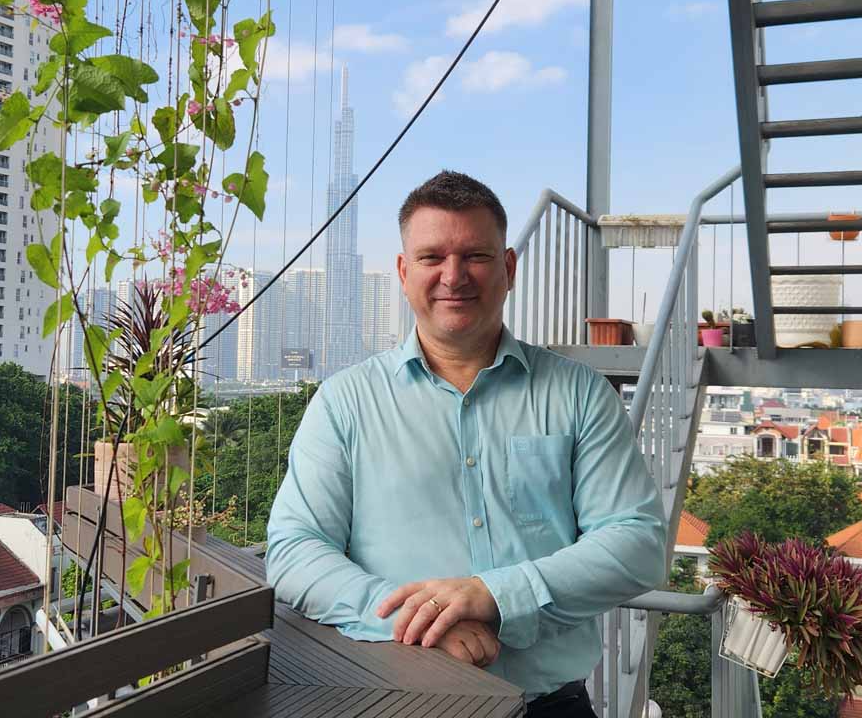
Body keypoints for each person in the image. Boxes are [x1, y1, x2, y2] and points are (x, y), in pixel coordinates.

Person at [266, 171, 666, 717]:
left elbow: (636, 542)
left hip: (550, 707)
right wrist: (417, 628)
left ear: (508, 269)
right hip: (396, 702)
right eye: (431, 257)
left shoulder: (578, 395)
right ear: (405, 274)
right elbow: (294, 551)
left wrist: (498, 595)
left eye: (475, 256)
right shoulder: (345, 403)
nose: (453, 277)